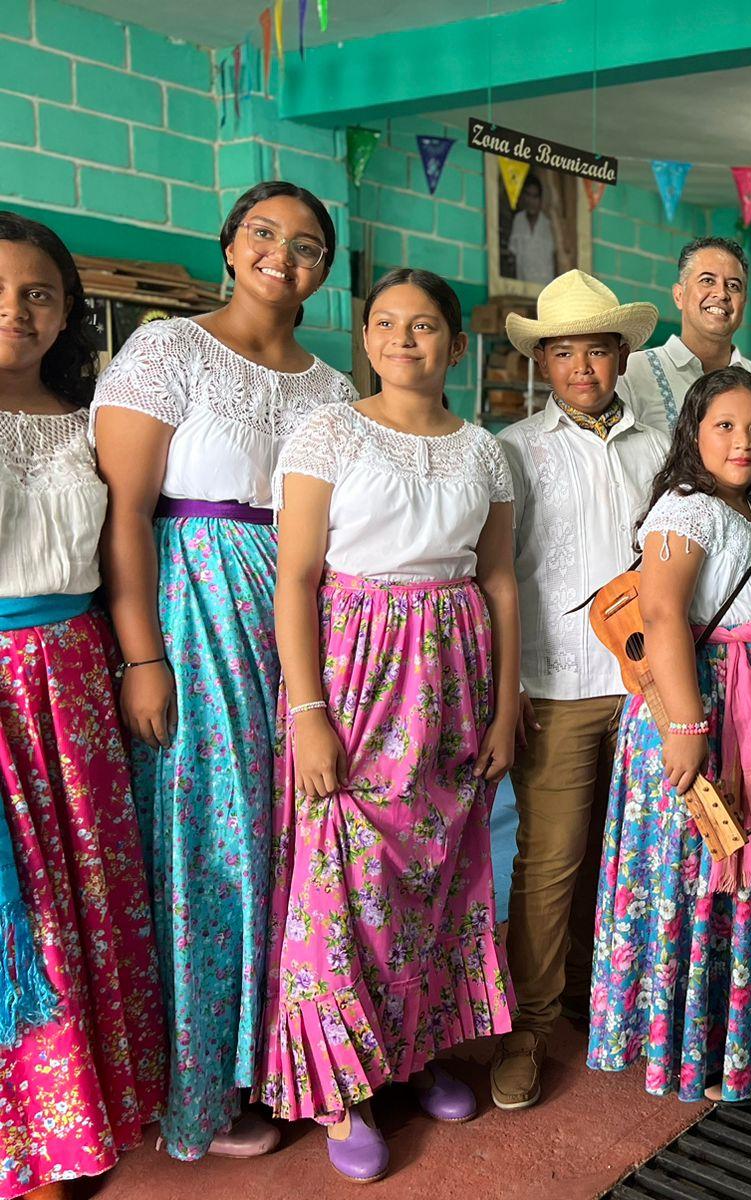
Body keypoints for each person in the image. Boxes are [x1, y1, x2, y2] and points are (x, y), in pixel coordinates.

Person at [91, 181, 356, 1160]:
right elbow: (124, 514)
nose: (284, 253)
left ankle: (281, 1064)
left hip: (302, 626)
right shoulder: (167, 351)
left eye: (308, 244)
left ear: (326, 270)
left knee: (288, 844)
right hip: (193, 618)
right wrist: (142, 654)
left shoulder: (333, 388)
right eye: (264, 233)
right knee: (208, 847)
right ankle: (197, 1084)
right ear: (229, 244)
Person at [258, 270, 519, 1181]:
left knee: (444, 876)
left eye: (424, 326)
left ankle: (416, 1054)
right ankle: (341, 1087)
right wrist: (307, 715)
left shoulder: (486, 451)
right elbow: (296, 579)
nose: (404, 340)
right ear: (365, 338)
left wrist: (506, 700)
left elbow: (499, 580)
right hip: (356, 673)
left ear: (454, 342)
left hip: (456, 672)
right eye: (385, 324)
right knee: (345, 883)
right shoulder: (326, 429)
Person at [588, 366, 751, 1103]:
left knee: (744, 863)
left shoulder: (750, 510)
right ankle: (696, 1051)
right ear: (693, 433)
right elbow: (661, 618)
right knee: (698, 869)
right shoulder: (685, 508)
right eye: (724, 425)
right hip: (704, 710)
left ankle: (733, 1038)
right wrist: (687, 729)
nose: (743, 441)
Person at [0, 213, 165, 1200]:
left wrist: (139, 658)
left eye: (38, 293)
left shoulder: (89, 416)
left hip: (77, 683)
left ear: (68, 312)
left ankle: (80, 1120)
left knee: (87, 907)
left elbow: (118, 554)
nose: (16, 311)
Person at [492, 271, 668, 1110]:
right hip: (556, 682)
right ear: (545, 362)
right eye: (564, 353)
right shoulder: (515, 450)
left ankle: (604, 996)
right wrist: (509, 684)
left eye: (597, 350)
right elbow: (496, 579)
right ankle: (526, 1026)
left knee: (626, 855)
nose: (582, 368)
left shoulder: (663, 446)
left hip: (647, 687)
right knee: (551, 859)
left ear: (622, 355)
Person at [616, 236, 751, 433]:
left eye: (733, 285)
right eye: (707, 281)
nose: (722, 294)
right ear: (679, 295)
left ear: (744, 302)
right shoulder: (632, 372)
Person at [506, 171, 557, 284]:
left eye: (535, 196)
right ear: (523, 196)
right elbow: (512, 256)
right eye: (528, 195)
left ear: (540, 200)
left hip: (545, 289)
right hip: (523, 287)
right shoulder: (518, 220)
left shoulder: (548, 225)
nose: (531, 201)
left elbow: (556, 259)